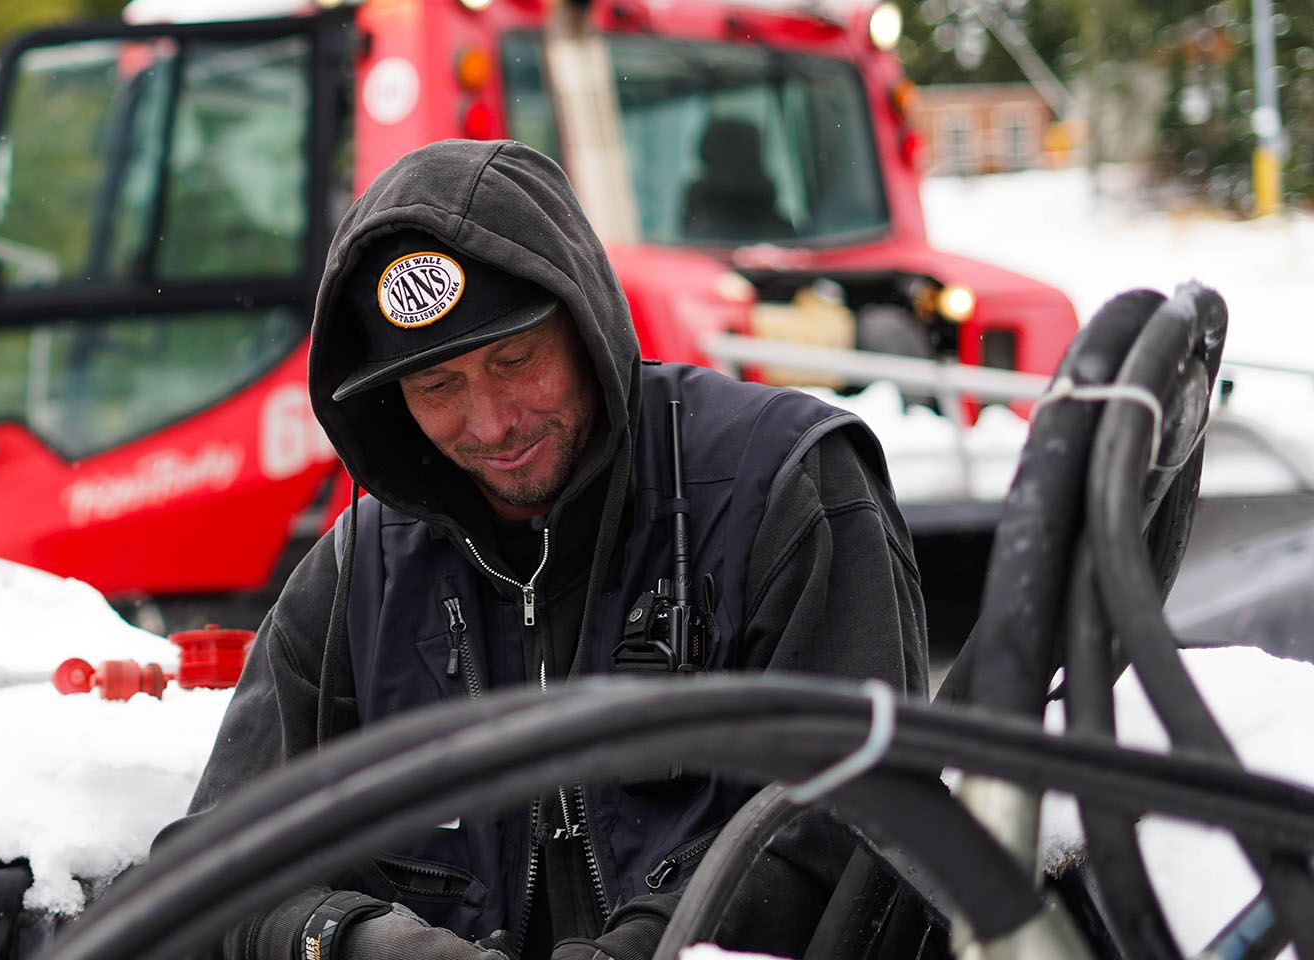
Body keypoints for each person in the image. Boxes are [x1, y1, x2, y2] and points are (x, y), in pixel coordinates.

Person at [162, 138, 928, 960]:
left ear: (586, 317)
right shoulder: (362, 572)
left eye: (515, 360)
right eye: (437, 387)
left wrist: (640, 950)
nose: (491, 424)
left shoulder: (788, 486)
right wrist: (356, 943)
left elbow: (863, 821)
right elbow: (206, 875)